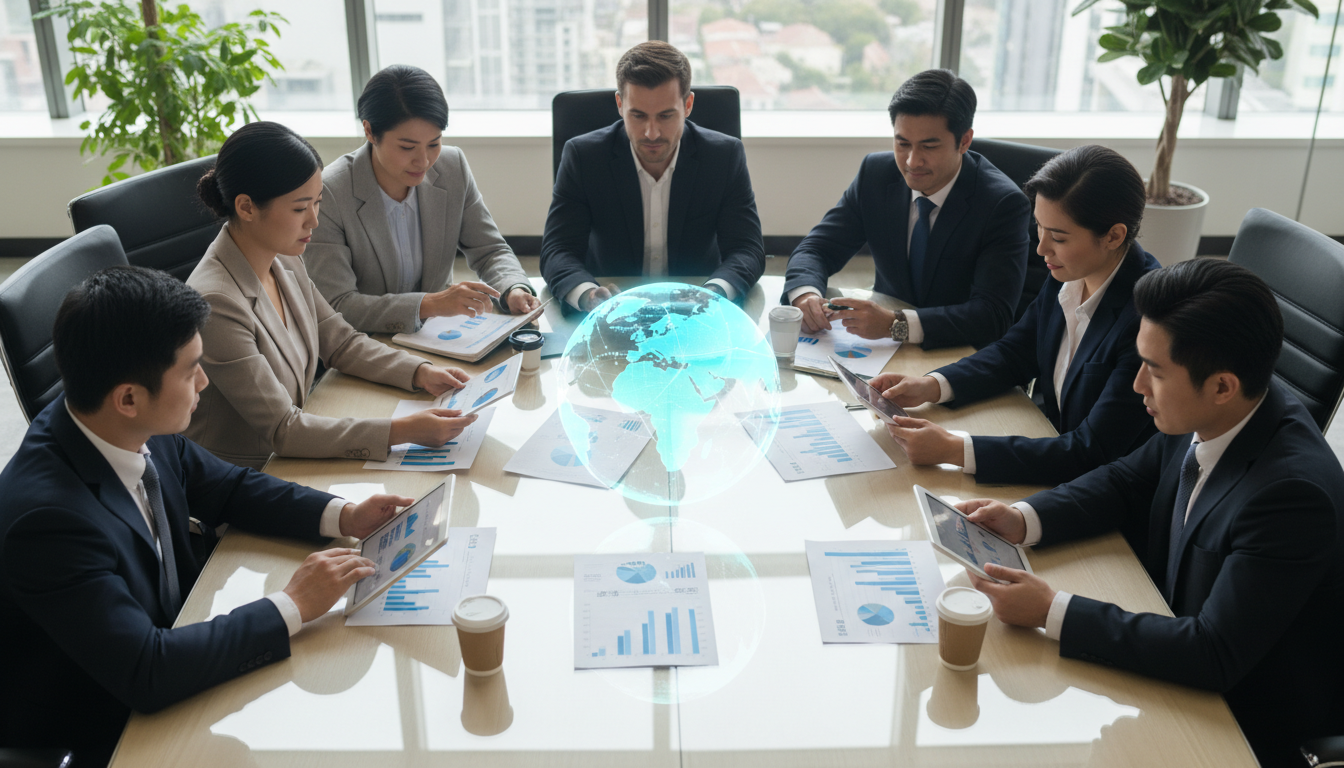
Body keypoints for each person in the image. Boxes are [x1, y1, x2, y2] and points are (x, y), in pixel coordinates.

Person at [0, 266, 415, 766]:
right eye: (190, 370)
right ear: (128, 397)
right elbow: (146, 671)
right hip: (109, 724)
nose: (204, 380)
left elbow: (229, 488)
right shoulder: (48, 522)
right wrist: (292, 604)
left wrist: (344, 516)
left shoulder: (123, 423)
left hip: (177, 638)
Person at [956, 259, 1344, 768]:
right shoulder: (1213, 411)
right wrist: (1024, 518)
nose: (1138, 384)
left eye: (1155, 371)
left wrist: (1051, 610)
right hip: (1171, 646)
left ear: (1222, 386)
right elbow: (1126, 480)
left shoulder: (1291, 495)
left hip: (1239, 724)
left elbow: (1213, 654)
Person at [187, 121, 476, 470]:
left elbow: (340, 343)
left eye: (317, 203)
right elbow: (283, 429)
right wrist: (401, 431)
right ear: (246, 207)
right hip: (244, 475)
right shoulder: (216, 302)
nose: (314, 221)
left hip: (295, 454)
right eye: (299, 208)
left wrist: (420, 372)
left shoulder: (284, 258)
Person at [871, 145, 1160, 485]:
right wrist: (931, 385)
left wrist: (955, 449)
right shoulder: (1072, 271)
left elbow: (1091, 451)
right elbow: (1016, 352)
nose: (1041, 248)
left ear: (1113, 236)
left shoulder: (1148, 320)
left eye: (1058, 237)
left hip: (1103, 488)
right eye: (1039, 227)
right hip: (1050, 447)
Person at [782, 69, 1029, 350]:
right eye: (902, 144)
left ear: (964, 141)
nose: (912, 161)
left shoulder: (1002, 204)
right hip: (881, 349)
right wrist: (805, 295)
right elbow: (817, 249)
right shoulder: (876, 174)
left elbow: (992, 315)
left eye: (929, 146)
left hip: (956, 351)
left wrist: (896, 324)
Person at [307, 65, 539, 335]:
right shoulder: (330, 193)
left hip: (440, 335)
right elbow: (338, 304)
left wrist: (513, 287)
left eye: (434, 143)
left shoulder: (452, 166)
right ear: (370, 132)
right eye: (407, 147)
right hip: (366, 341)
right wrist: (429, 304)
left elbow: (489, 250)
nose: (424, 161)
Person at [540, 41, 765, 313]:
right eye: (638, 115)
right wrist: (588, 295)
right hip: (612, 310)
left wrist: (713, 293)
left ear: (688, 105)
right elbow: (558, 249)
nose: (652, 133)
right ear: (620, 104)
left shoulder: (724, 156)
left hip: (696, 309)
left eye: (666, 116)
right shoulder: (583, 157)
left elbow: (746, 249)